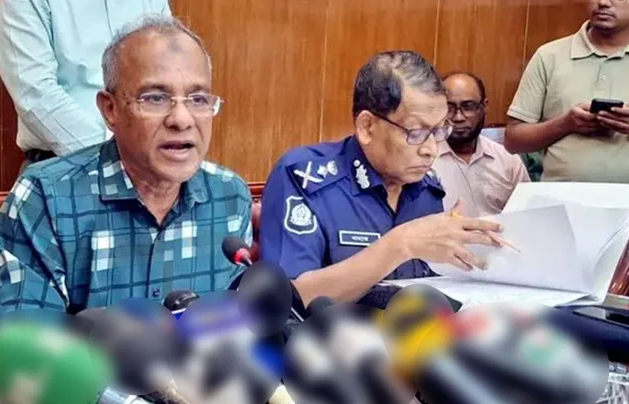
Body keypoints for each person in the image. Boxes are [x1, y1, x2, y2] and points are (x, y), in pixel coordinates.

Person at [0, 15, 253, 318]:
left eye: (198, 99)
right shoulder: (46, 198)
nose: (181, 119)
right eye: (155, 98)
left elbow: (235, 326)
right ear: (110, 110)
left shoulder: (229, 195)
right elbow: (22, 338)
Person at [259, 51, 504, 306]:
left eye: (439, 130)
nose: (431, 149)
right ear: (367, 127)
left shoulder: (427, 189)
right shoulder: (304, 178)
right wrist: (401, 244)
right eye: (416, 132)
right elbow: (288, 300)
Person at [0, 0, 171, 169]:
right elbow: (35, 94)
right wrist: (113, 158)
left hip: (154, 163)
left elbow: (171, 76)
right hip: (62, 167)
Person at [505, 0, 629, 183]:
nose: (603, 3)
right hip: (560, 196)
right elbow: (513, 141)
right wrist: (565, 124)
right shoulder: (549, 56)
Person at [433, 72, 530, 217]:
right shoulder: (423, 159)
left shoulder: (507, 160)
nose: (458, 117)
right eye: (449, 108)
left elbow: (527, 213)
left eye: (468, 107)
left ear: (484, 107)